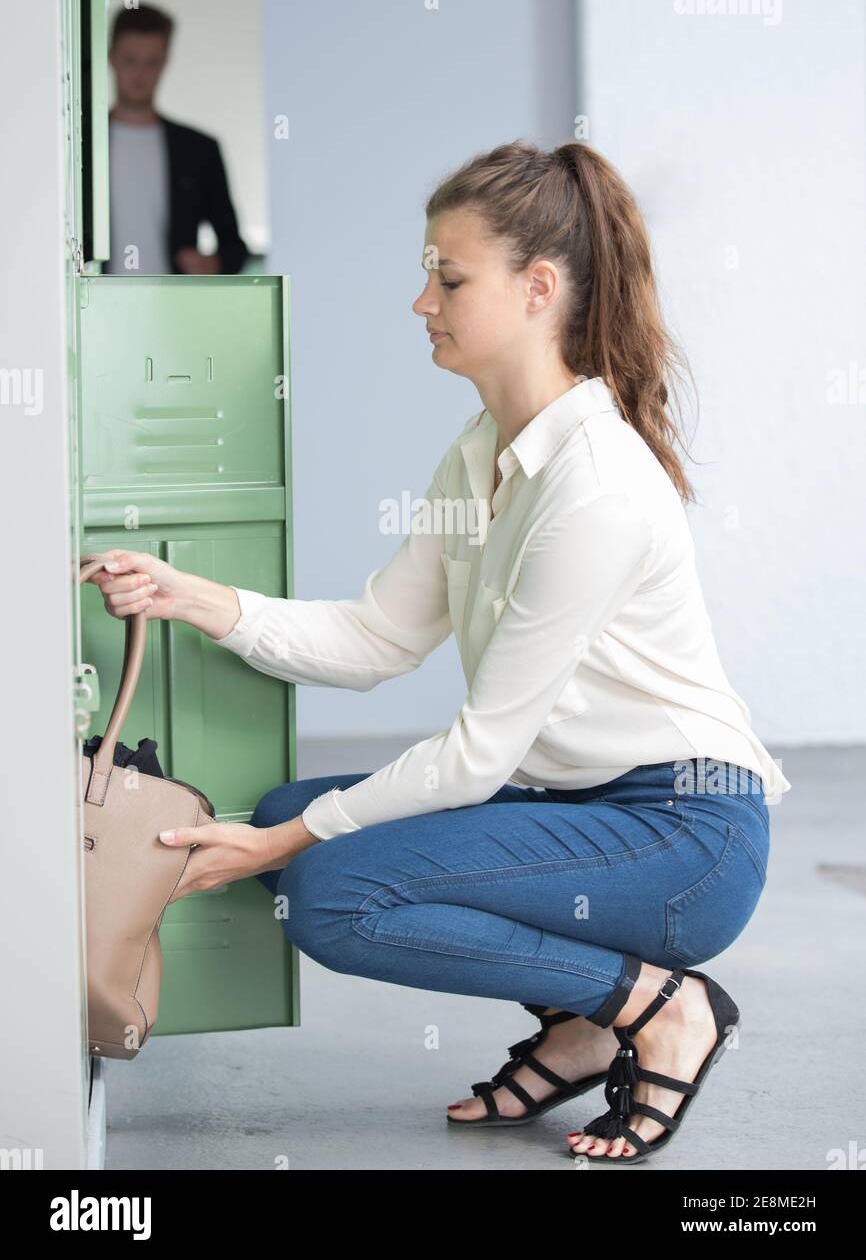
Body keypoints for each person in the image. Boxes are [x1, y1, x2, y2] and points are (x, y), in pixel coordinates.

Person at [87, 139, 789, 1164]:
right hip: (590, 806)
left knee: (327, 888)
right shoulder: (480, 450)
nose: (421, 300)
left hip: (686, 837)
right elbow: (377, 637)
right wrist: (188, 594)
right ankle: (590, 1019)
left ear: (537, 288)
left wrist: (284, 852)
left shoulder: (592, 484)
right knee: (292, 815)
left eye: (446, 276)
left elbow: (476, 754)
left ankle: (655, 1004)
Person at [103, 2, 249, 275]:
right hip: (88, 308)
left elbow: (234, 246)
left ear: (165, 62)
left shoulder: (198, 150)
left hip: (173, 309)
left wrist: (213, 263)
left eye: (151, 62)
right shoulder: (80, 145)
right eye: (130, 60)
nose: (140, 74)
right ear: (111, 57)